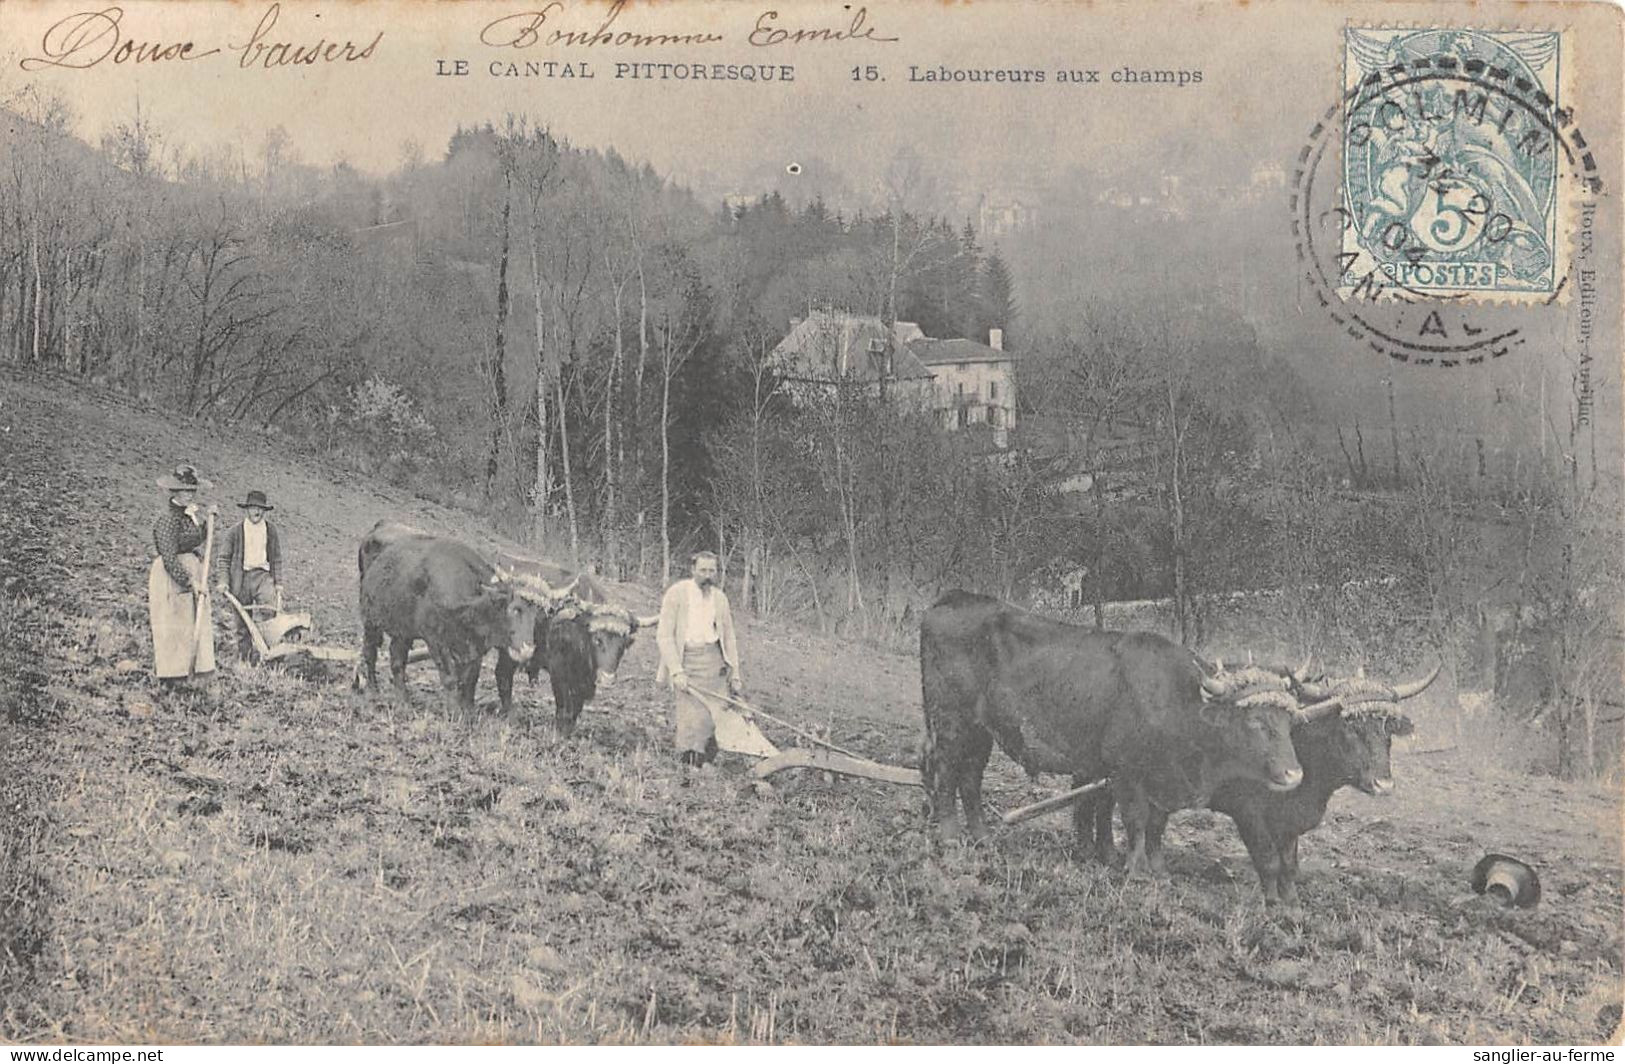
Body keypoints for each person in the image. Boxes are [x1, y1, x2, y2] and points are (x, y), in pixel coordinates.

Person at [655, 551, 743, 767]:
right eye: (703, 570)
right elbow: (664, 635)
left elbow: (729, 637)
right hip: (688, 662)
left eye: (712, 571)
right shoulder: (676, 594)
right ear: (692, 570)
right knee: (691, 719)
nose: (707, 575)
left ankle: (707, 763)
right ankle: (688, 767)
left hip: (714, 664)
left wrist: (735, 674)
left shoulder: (720, 599)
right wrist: (676, 671)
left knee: (716, 716)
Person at [148, 464, 218, 688]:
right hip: (172, 577)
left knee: (192, 622)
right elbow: (169, 557)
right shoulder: (168, 519)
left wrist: (209, 521)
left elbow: (196, 538)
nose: (190, 494)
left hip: (192, 571)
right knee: (174, 624)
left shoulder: (189, 515)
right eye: (185, 490)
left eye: (192, 490)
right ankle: (173, 676)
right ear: (175, 491)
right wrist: (189, 581)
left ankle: (196, 671)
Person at [216, 489, 285, 660]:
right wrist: (224, 581)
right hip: (241, 577)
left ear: (265, 511)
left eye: (261, 508)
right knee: (241, 621)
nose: (257, 512)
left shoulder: (271, 531)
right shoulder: (235, 531)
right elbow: (224, 558)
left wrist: (278, 582)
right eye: (254, 508)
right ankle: (245, 657)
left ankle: (268, 654)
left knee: (269, 613)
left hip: (262, 577)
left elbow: (276, 558)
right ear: (247, 509)